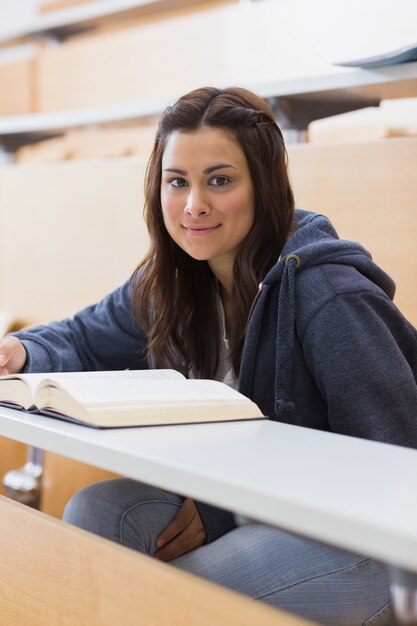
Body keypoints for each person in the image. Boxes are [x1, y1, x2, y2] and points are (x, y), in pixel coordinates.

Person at [1, 86, 416, 626]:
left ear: (263, 187)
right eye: (178, 182)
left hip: (364, 542)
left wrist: (220, 511)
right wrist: (21, 350)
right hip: (254, 510)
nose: (194, 204)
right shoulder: (172, 283)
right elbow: (82, 338)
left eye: (219, 180)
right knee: (95, 512)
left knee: (162, 600)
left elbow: (394, 473)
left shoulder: (330, 296)